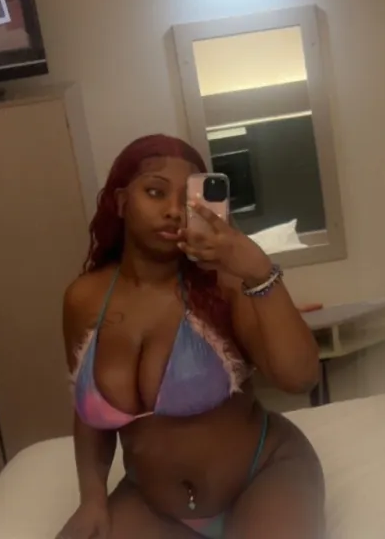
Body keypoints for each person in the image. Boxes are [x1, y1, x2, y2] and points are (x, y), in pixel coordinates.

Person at [58, 135, 325, 539]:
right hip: (153, 504)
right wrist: (92, 499)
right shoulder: (84, 299)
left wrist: (257, 271)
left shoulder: (224, 284)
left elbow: (300, 378)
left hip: (264, 476)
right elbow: (88, 413)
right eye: (155, 192)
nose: (172, 210)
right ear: (121, 202)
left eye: (187, 199)